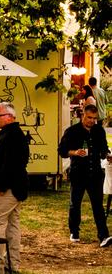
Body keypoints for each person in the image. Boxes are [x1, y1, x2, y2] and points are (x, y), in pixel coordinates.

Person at [0, 102, 30, 273]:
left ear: (10, 117)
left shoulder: (13, 135)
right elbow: (7, 158)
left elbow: (13, 163)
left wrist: (2, 186)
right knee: (12, 227)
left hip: (7, 188)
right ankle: (12, 267)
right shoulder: (9, 133)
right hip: (14, 187)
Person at [58, 104, 112, 247]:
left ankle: (104, 235)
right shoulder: (72, 131)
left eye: (94, 118)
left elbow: (103, 148)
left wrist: (107, 155)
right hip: (78, 172)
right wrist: (74, 152)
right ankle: (74, 231)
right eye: (89, 118)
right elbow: (62, 150)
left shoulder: (99, 131)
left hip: (95, 173)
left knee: (98, 205)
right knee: (75, 204)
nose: (92, 121)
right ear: (83, 115)